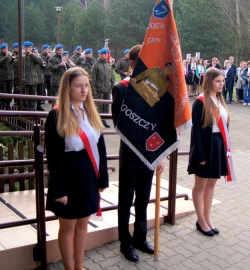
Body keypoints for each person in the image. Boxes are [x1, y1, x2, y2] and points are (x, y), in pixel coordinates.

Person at [45, 67, 109, 270]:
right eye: (78, 86)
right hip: (68, 178)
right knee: (68, 226)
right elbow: (53, 157)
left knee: (83, 224)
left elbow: (101, 147)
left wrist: (103, 178)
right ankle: (68, 268)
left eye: (86, 86)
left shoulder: (90, 112)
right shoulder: (56, 116)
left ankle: (79, 266)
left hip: (89, 177)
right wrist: (59, 189)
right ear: (67, 88)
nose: (84, 90)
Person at [111, 44, 164, 262]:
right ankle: (125, 241)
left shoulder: (153, 86)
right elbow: (118, 123)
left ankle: (140, 237)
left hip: (150, 155)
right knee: (126, 200)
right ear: (133, 64)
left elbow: (158, 121)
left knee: (143, 198)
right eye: (143, 60)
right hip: (132, 155)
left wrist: (160, 153)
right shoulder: (121, 89)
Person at [188, 67, 230, 238]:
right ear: (209, 82)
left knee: (211, 184)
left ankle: (207, 217)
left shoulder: (220, 100)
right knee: (200, 186)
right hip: (205, 147)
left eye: (223, 81)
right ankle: (200, 220)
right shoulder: (200, 102)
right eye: (218, 81)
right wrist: (200, 155)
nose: (222, 84)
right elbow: (196, 132)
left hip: (218, 146)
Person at [91, 48, 115, 128]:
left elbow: (112, 77)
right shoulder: (96, 65)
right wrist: (94, 90)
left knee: (106, 106)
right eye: (104, 54)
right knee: (98, 106)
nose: (106, 55)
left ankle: (103, 120)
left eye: (106, 54)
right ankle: (97, 121)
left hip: (107, 89)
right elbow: (92, 78)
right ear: (100, 55)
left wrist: (112, 87)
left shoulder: (108, 65)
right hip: (99, 89)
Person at [0, 43, 14, 109]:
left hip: (9, 77)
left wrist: (12, 58)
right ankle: (2, 104)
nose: (6, 50)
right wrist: (6, 57)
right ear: (2, 49)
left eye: (7, 48)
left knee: (9, 91)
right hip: (3, 77)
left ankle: (8, 104)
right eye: (5, 49)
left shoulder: (9, 55)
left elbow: (11, 63)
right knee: (3, 91)